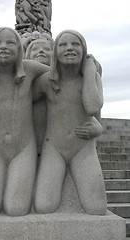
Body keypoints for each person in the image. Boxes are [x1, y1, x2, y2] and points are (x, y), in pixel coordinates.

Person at [0, 27, 49, 217]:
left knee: (17, 209)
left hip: (23, 148)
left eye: (10, 42)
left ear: (19, 49)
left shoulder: (30, 70)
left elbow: (60, 72)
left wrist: (88, 67)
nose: (3, 47)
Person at [34, 30, 107, 215]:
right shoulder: (46, 81)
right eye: (63, 45)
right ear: (55, 52)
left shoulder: (91, 78)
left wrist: (90, 71)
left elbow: (92, 109)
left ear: (84, 50)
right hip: (54, 148)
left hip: (83, 148)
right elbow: (19, 99)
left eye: (75, 44)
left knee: (96, 208)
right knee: (44, 206)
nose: (69, 49)